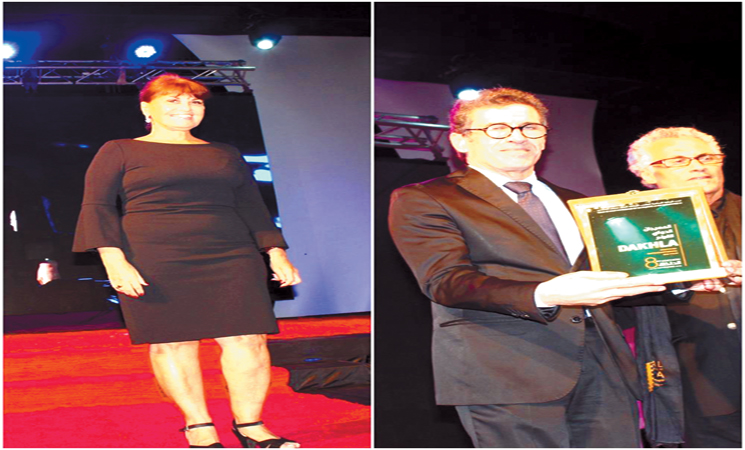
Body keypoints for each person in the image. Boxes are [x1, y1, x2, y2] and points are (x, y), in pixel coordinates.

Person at [388, 87, 673, 448]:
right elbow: (446, 281)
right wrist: (545, 294)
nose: (517, 137)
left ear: (544, 138)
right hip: (505, 366)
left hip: (604, 362)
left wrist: (683, 279)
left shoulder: (579, 201)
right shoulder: (426, 198)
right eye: (497, 129)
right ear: (460, 141)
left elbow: (613, 277)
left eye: (530, 127)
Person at [73, 74, 302, 448]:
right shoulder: (119, 150)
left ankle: (251, 426)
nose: (187, 108)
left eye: (195, 102)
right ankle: (199, 427)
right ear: (147, 108)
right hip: (154, 256)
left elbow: (252, 207)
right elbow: (97, 206)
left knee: (249, 338)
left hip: (231, 254)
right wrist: (114, 260)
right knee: (173, 342)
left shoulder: (224, 153)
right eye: (173, 101)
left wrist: (276, 252)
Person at [627, 127, 741, 447]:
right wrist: (675, 285)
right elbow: (607, 307)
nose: (698, 166)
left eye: (707, 157)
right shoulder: (628, 229)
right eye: (678, 160)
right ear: (646, 174)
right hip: (699, 387)